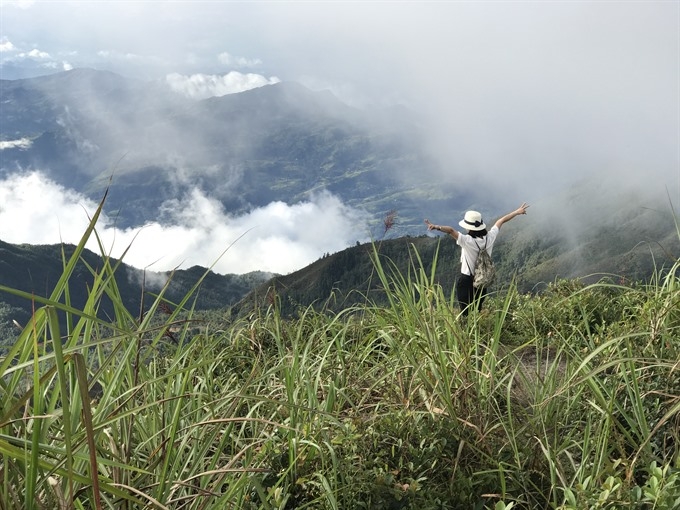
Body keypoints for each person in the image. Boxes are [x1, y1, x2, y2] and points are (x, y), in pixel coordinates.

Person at [425, 203, 529, 315]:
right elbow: (501, 221)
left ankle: (466, 331)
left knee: (465, 313)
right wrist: (517, 212)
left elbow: (450, 230)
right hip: (482, 279)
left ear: (469, 227)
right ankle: (477, 328)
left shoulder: (466, 241)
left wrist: (436, 227)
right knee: (477, 310)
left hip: (466, 280)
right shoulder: (490, 237)